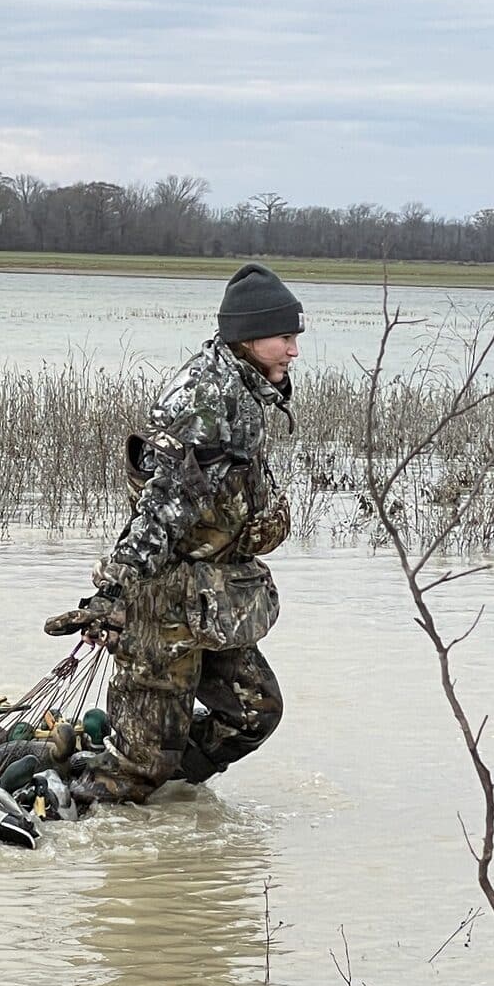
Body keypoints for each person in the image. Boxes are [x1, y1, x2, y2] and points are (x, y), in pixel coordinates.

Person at [45, 263, 303, 804]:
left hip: (214, 598)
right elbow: (162, 504)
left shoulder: (244, 390)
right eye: (286, 338)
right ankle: (89, 817)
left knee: (255, 712)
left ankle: (164, 796)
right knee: (140, 766)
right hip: (163, 603)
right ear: (249, 335)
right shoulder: (206, 402)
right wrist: (113, 594)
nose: (294, 351)